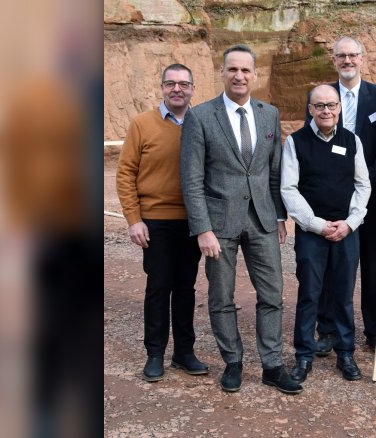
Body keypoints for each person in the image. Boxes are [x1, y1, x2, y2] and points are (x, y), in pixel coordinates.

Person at [180, 44, 301, 395]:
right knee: (221, 296)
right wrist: (202, 228)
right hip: (219, 224)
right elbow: (191, 178)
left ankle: (272, 365)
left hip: (263, 219)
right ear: (221, 73)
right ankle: (233, 362)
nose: (239, 76)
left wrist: (280, 215)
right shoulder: (200, 116)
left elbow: (274, 169)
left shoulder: (269, 114)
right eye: (232, 69)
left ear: (254, 75)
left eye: (246, 70)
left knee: (273, 293)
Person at [116, 64, 208, 382]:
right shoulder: (142, 124)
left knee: (185, 288)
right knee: (158, 287)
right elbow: (125, 173)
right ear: (162, 88)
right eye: (171, 84)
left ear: (193, 88)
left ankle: (184, 352)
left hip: (193, 222)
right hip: (155, 222)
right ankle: (154, 354)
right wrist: (133, 219)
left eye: (183, 84)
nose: (177, 89)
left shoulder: (203, 122)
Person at [306, 36, 376, 358]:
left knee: (373, 264)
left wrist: (365, 183)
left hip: (372, 197)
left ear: (362, 57)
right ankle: (327, 330)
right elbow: (313, 143)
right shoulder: (322, 97)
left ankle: (375, 330)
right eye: (341, 56)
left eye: (352, 55)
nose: (347, 60)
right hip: (331, 198)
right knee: (331, 265)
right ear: (334, 60)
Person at [282, 84, 371, 382]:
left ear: (339, 108)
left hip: (347, 230)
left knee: (344, 293)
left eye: (331, 105)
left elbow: (362, 185)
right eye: (319, 106)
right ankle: (304, 355)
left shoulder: (352, 140)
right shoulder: (296, 142)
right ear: (310, 109)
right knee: (310, 293)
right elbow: (289, 189)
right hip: (312, 232)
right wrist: (318, 225)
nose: (326, 111)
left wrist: (351, 222)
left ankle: (345, 353)